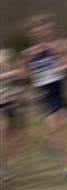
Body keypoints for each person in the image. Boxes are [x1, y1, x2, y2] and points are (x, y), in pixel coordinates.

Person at [20, 14, 67, 176]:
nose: (41, 33)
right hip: (44, 94)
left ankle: (48, 141)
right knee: (56, 127)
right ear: (31, 34)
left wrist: (65, 65)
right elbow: (24, 76)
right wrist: (30, 71)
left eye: (44, 29)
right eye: (37, 31)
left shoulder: (62, 45)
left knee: (60, 127)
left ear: (50, 29)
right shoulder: (28, 54)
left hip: (62, 91)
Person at [0, 48, 28, 181]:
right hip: (2, 104)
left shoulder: (9, 54)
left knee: (16, 137)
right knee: (4, 131)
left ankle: (4, 166)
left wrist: (22, 92)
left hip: (14, 104)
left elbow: (23, 76)